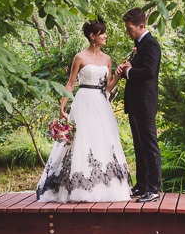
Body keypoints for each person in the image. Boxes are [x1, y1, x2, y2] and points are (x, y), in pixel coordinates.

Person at [36, 20, 131, 202]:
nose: (105, 36)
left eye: (105, 33)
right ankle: (74, 188)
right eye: (101, 33)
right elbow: (71, 84)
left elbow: (108, 88)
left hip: (101, 103)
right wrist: (62, 106)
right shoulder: (80, 57)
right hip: (83, 101)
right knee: (80, 140)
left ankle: (105, 187)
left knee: (102, 140)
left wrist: (119, 74)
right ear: (92, 36)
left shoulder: (107, 59)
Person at [116, 8, 162, 203]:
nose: (128, 32)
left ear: (141, 26)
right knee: (139, 147)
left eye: (130, 28)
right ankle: (142, 185)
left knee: (149, 146)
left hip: (145, 103)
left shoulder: (151, 45)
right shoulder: (139, 45)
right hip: (135, 104)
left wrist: (128, 71)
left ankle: (153, 188)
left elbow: (148, 72)